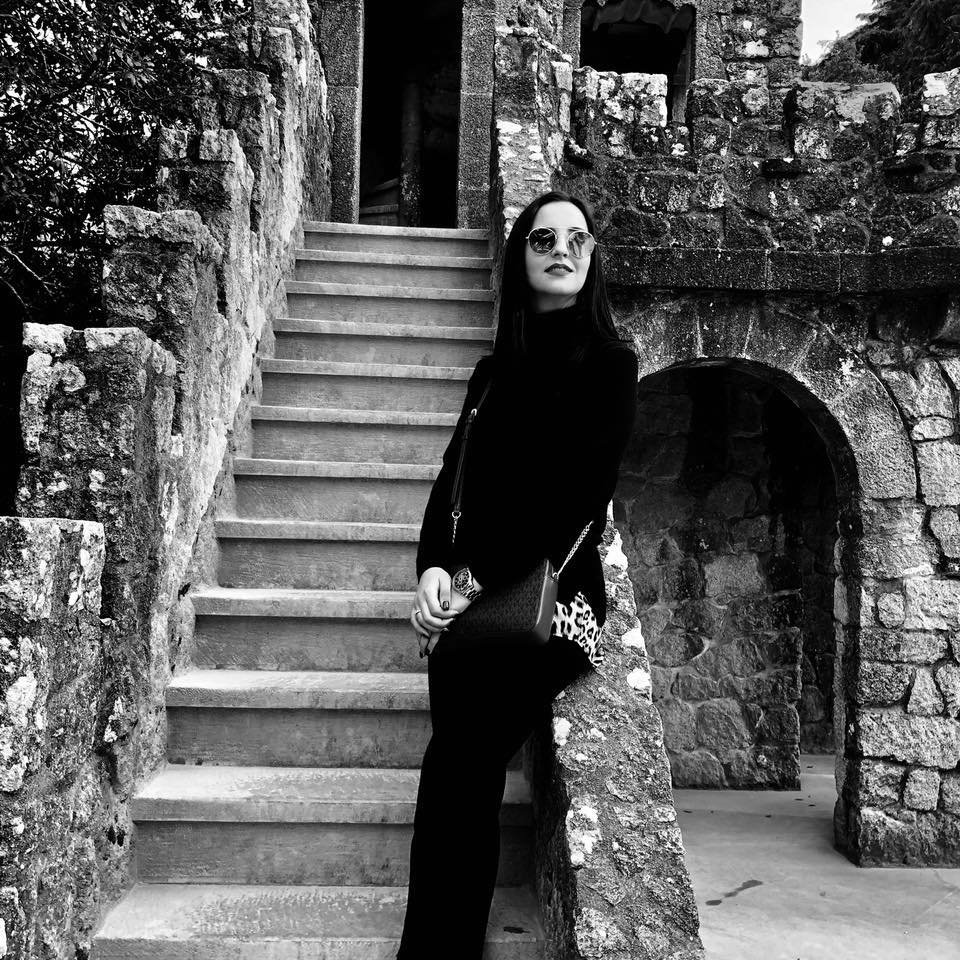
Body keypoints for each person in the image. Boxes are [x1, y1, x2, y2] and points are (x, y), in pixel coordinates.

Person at [396, 189, 639, 959]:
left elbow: (573, 499)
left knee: (461, 761)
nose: (561, 249)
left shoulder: (610, 363)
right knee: (455, 766)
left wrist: (467, 584)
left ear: (592, 256)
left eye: (576, 238)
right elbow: (453, 480)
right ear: (521, 256)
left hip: (550, 601)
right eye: (543, 239)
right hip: (470, 599)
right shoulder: (492, 372)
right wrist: (432, 569)